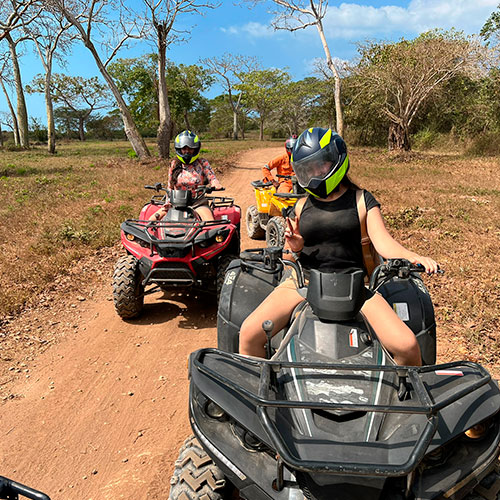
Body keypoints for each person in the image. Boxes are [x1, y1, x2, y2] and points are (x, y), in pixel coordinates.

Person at [239, 127, 439, 366]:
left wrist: (413, 256)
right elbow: (293, 252)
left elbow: (383, 242)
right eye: (307, 168)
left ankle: (402, 401)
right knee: (249, 333)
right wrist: (296, 246)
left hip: (357, 287)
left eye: (320, 165)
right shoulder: (301, 205)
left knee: (407, 346)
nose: (314, 173)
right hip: (304, 283)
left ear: (336, 161)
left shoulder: (362, 200)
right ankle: (262, 396)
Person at [151, 130, 222, 222]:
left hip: (197, 203)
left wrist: (215, 184)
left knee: (210, 224)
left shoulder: (202, 163)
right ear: (179, 149)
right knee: (150, 222)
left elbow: (211, 177)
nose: (187, 152)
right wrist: (168, 203)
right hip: (175, 203)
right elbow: (170, 186)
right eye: (184, 149)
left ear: (195, 149)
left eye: (190, 149)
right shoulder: (174, 164)